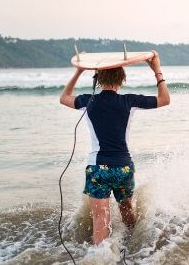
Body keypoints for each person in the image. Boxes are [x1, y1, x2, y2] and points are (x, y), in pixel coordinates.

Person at [59, 52, 169, 244]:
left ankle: (100, 258)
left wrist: (78, 72)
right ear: (122, 79)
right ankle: (133, 245)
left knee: (101, 220)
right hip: (124, 168)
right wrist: (157, 70)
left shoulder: (87, 100)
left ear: (98, 80)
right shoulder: (129, 101)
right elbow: (164, 99)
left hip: (97, 169)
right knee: (127, 211)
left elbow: (64, 97)